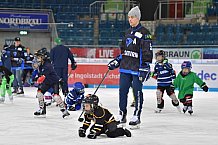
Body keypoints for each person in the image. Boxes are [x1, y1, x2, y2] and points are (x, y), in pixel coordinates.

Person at [107, 6, 153, 126]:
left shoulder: (145, 33)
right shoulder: (127, 32)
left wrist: (145, 67)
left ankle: (136, 115)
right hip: (125, 68)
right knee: (122, 91)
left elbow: (147, 52)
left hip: (137, 69)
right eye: (129, 17)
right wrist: (117, 61)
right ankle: (122, 114)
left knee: (137, 92)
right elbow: (123, 51)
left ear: (138, 18)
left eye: (132, 17)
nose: (130, 19)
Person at [33, 48, 70, 118]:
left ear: (44, 57)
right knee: (39, 93)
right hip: (47, 82)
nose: (37, 59)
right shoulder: (41, 65)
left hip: (54, 82)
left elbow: (41, 78)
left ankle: (64, 111)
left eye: (39, 57)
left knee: (56, 97)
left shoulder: (47, 65)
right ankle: (42, 109)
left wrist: (36, 79)